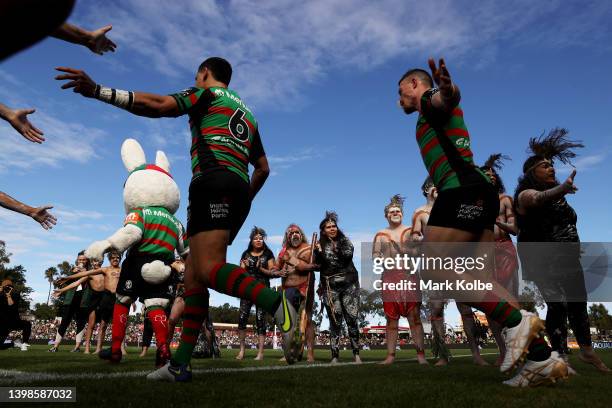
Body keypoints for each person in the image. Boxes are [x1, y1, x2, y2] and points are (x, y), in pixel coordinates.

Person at [55, 57, 301, 380]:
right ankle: (179, 364)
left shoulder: (206, 94)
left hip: (211, 184)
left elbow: (159, 105)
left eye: (197, 76)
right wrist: (242, 200)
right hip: (238, 189)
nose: (196, 79)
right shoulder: (248, 114)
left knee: (208, 270)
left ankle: (277, 305)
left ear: (204, 73)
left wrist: (99, 91)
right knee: (194, 279)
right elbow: (264, 168)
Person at [398, 58, 567, 386]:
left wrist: (447, 88)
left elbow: (445, 99)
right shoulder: (425, 118)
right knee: (481, 282)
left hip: (461, 191)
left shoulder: (431, 101)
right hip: (476, 192)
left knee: (433, 268)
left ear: (416, 85)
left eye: (401, 91)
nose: (398, 99)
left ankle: (518, 322)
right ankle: (541, 358)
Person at [514, 129, 609, 375]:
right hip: (543, 259)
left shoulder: (559, 198)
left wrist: (560, 192)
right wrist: (560, 189)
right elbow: (536, 199)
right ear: (531, 172)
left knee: (579, 303)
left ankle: (587, 351)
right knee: (557, 305)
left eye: (551, 165)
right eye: (544, 166)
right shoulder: (526, 194)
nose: (551, 168)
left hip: (568, 257)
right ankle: (559, 356)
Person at [373, 195, 427, 365]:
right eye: (391, 212)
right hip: (389, 277)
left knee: (415, 317)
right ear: (386, 216)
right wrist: (381, 260)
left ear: (402, 214)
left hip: (409, 276)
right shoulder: (381, 235)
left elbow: (421, 252)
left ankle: (421, 356)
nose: (395, 213)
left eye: (397, 211)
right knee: (391, 319)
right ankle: (390, 356)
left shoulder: (412, 232)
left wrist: (413, 250)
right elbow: (375, 255)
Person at [480, 153, 519, 366]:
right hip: (484, 255)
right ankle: (503, 352)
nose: (490, 176)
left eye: (493, 174)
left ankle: (517, 349)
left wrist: (496, 222)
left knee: (511, 300)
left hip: (504, 250)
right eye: (485, 174)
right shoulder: (475, 204)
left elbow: (514, 229)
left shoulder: (505, 200)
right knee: (491, 305)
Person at [315, 211, 361, 364]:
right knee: (335, 321)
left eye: (334, 226)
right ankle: (334, 355)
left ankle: (356, 354)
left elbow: (345, 257)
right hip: (330, 286)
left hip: (349, 284)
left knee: (352, 319)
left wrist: (325, 252)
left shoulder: (345, 241)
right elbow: (317, 265)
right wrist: (317, 252)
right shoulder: (318, 245)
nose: (332, 228)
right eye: (328, 227)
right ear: (323, 230)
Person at [55, 250, 122, 354]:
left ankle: (101, 348)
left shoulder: (105, 271)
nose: (97, 263)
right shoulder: (95, 272)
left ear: (102, 261)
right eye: (95, 261)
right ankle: (86, 348)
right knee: (91, 324)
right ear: (92, 262)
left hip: (105, 297)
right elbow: (79, 280)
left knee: (105, 325)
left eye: (99, 261)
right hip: (94, 299)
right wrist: (63, 287)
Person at [277, 224, 318, 363]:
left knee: (307, 320)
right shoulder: (283, 251)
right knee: (288, 321)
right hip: (288, 288)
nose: (294, 234)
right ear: (287, 236)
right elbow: (275, 269)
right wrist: (278, 272)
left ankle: (310, 353)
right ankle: (289, 351)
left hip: (305, 286)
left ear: (301, 234)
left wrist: (317, 251)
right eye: (291, 233)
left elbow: (313, 265)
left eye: (297, 232)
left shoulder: (310, 248)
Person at [237, 227, 278, 361]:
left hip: (262, 289)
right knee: (242, 318)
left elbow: (273, 273)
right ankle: (242, 350)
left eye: (261, 238)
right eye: (256, 238)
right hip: (247, 289)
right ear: (251, 240)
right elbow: (239, 273)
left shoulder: (268, 253)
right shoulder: (245, 253)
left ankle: (260, 353)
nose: (258, 240)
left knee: (261, 320)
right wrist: (244, 267)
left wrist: (261, 268)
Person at [49, 251, 90, 352]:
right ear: (77, 260)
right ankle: (55, 346)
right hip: (71, 298)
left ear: (87, 260)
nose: (82, 261)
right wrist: (73, 272)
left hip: (83, 299)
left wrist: (84, 271)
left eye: (84, 259)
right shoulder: (72, 270)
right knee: (64, 322)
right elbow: (65, 282)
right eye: (80, 259)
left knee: (81, 323)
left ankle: (77, 347)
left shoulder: (90, 271)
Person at [0, 279, 32, 351]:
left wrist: (8, 296)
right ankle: (15, 344)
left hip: (14, 320)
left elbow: (11, 306)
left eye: (9, 287)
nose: (7, 288)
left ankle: (24, 343)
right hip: (3, 323)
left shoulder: (15, 294)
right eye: (6, 287)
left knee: (27, 324)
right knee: (1, 346)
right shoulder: (0, 295)